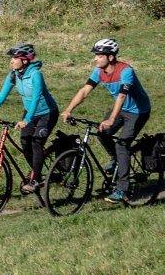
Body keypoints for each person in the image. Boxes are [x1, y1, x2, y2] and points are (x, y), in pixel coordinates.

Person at [64, 38, 152, 203]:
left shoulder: (126, 71)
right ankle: (116, 159)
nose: (95, 59)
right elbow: (84, 91)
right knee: (102, 133)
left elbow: (122, 96)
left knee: (122, 144)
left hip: (138, 111)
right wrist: (69, 110)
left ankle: (122, 189)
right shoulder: (98, 72)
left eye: (99, 56)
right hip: (122, 109)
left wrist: (112, 119)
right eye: (95, 56)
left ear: (110, 57)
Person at [0, 43, 57, 193]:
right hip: (29, 113)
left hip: (47, 113)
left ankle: (35, 180)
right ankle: (37, 171)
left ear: (25, 60)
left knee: (36, 143)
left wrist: (27, 119)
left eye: (15, 58)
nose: (11, 61)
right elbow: (2, 95)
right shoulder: (14, 75)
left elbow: (36, 98)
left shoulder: (36, 75)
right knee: (25, 143)